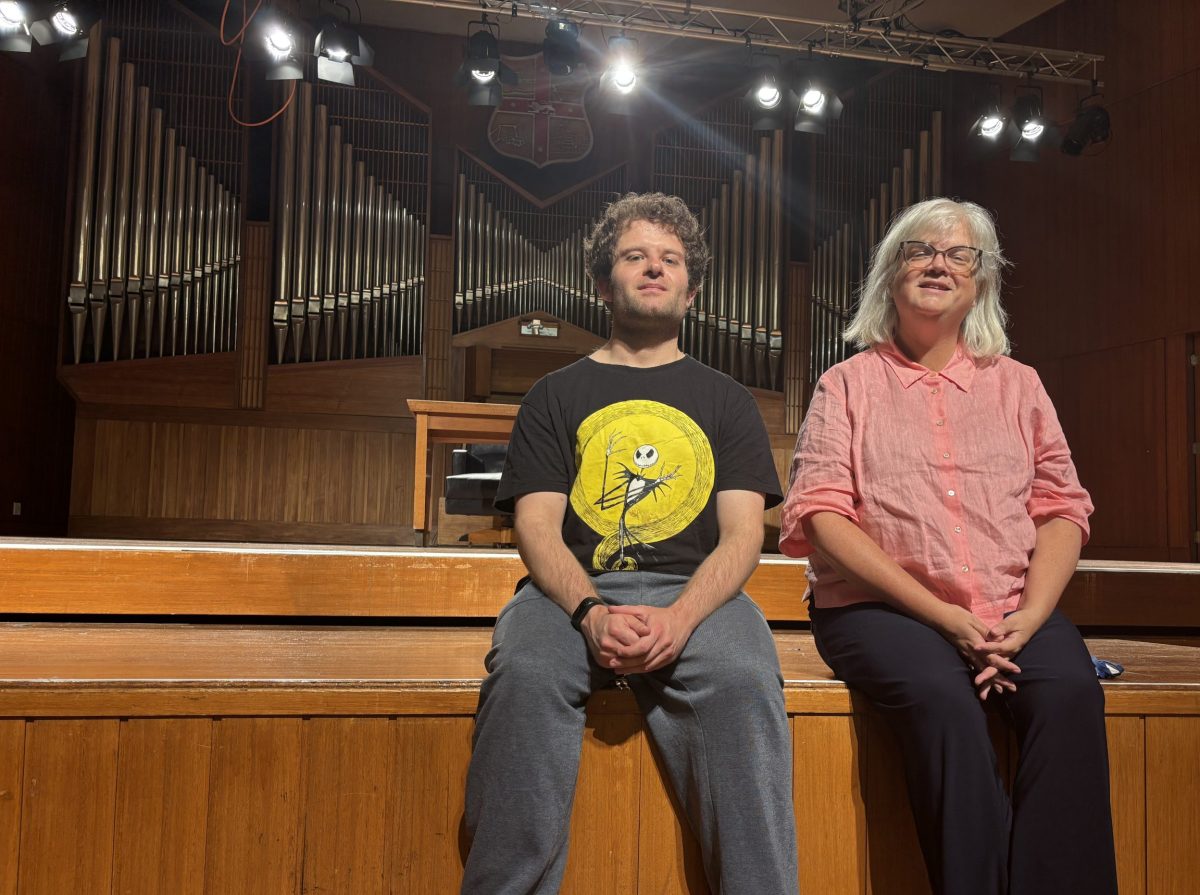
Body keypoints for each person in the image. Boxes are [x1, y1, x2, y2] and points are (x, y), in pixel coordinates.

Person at [461, 192, 799, 894]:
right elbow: (536, 526)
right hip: (571, 594)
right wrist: (589, 614)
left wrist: (679, 619)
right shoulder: (555, 394)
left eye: (670, 259)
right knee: (523, 676)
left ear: (692, 289)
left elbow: (742, 535)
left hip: (697, 597)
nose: (654, 268)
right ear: (601, 282)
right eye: (634, 256)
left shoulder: (728, 399)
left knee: (744, 679)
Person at [779, 197, 1117, 895]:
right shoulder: (845, 386)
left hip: (1011, 602)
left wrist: (1028, 615)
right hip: (882, 608)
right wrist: (946, 618)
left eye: (957, 253)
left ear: (981, 280)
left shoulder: (1020, 386)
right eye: (919, 250)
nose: (938, 262)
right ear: (889, 274)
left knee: (1070, 696)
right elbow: (821, 516)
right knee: (944, 702)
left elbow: (1060, 508)